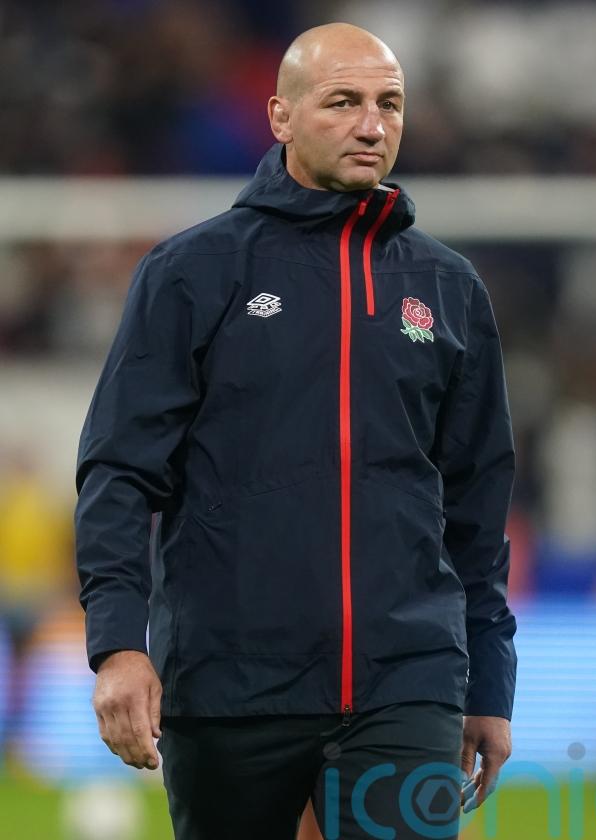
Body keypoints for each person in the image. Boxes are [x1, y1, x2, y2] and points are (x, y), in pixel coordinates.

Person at [74, 22, 517, 840]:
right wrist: (117, 646)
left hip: (406, 682)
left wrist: (488, 680)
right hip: (229, 685)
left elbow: (477, 507)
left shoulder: (449, 288)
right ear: (280, 116)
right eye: (343, 101)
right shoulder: (192, 272)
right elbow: (119, 472)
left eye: (389, 104)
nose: (371, 125)